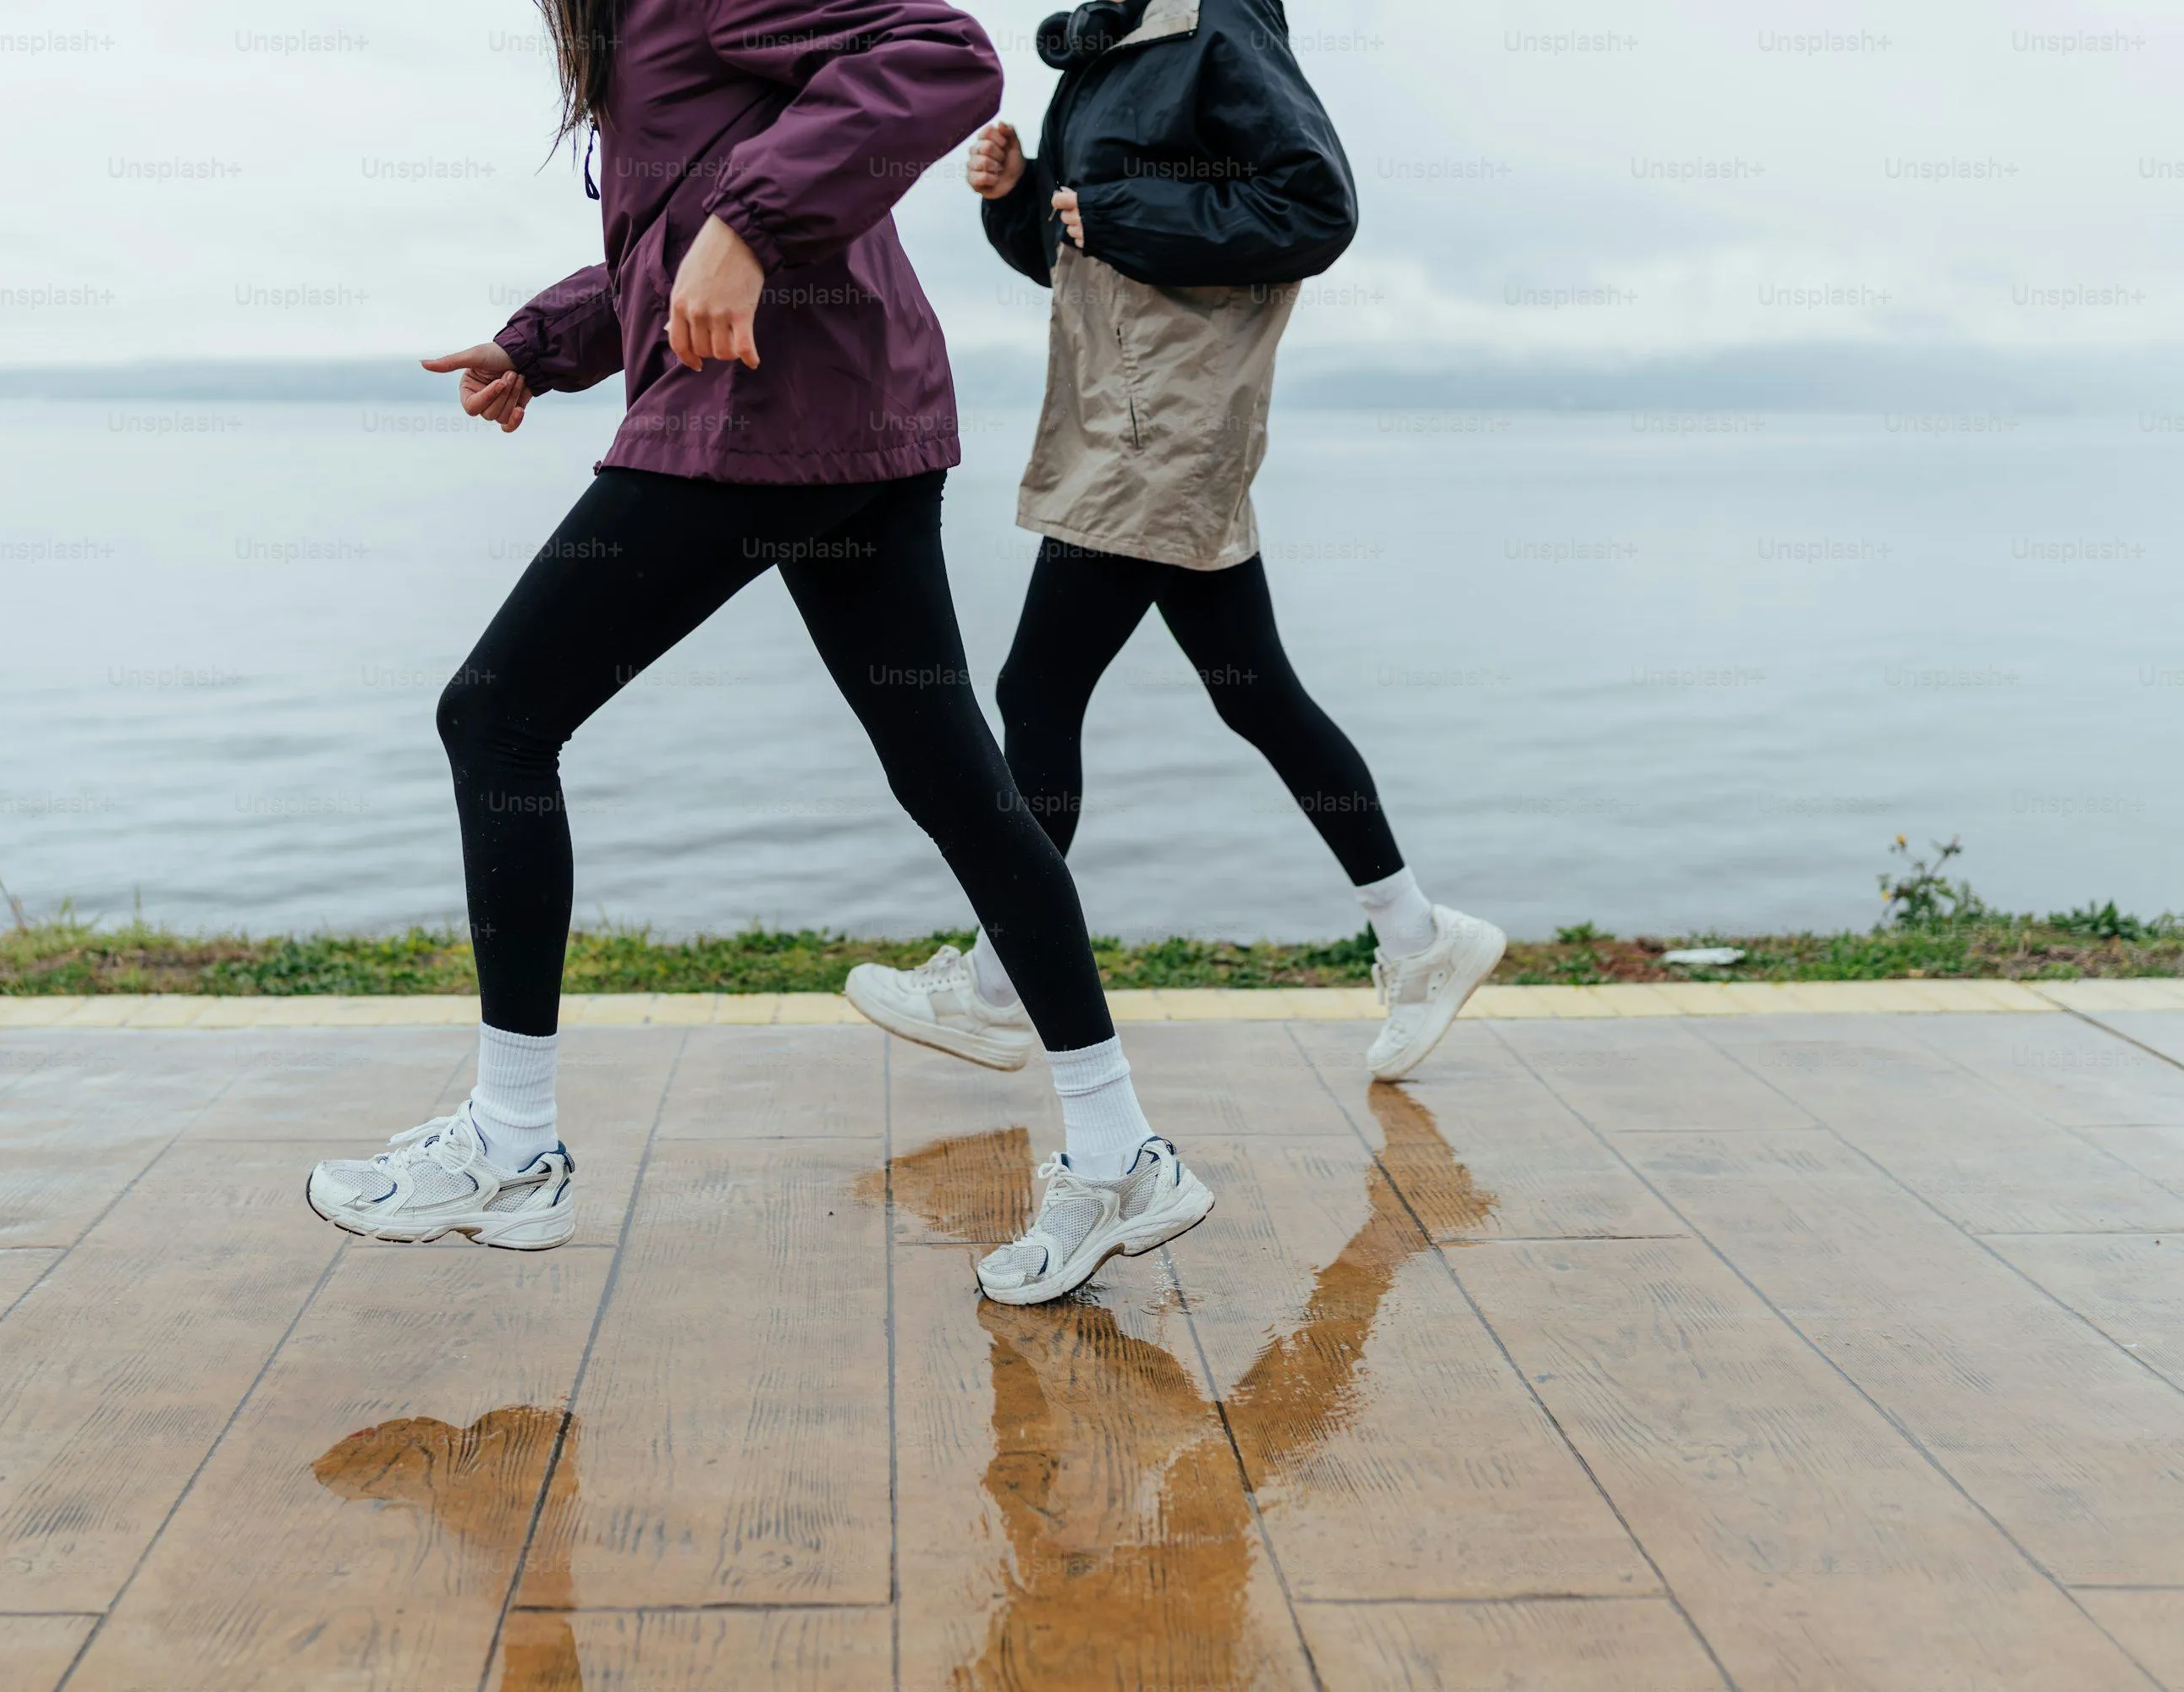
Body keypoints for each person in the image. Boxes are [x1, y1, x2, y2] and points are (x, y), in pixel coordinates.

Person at [300, 0, 1211, 1305]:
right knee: (952, 776)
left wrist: (745, 228)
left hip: (764, 411)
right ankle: (1122, 1153)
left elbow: (945, 56)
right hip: (847, 411)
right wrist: (545, 343)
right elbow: (679, 222)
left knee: (496, 716)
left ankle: (509, 1146)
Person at [843, 0, 1505, 1083]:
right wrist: (1022, 198)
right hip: (1127, 413)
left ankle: (999, 988)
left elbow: (1313, 206)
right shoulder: (1116, 43)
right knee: (1256, 693)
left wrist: (1114, 206)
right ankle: (1418, 935)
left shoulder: (1218, 26)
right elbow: (1086, 251)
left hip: (1166, 424)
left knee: (1037, 690)